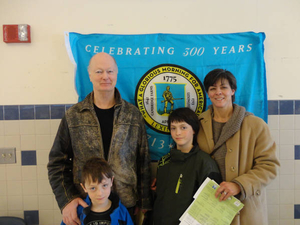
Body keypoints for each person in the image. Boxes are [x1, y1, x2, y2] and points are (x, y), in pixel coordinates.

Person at [48, 52, 152, 225]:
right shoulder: (74, 116)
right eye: (99, 72)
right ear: (89, 75)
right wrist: (66, 200)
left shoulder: (133, 115)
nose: (105, 77)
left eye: (110, 71)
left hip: (125, 207)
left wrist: (144, 203)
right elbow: (57, 164)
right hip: (85, 207)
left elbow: (143, 163)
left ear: (116, 74)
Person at [197, 69, 280, 225]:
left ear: (233, 90)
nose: (218, 92)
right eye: (213, 88)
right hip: (208, 207)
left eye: (224, 87)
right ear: (208, 93)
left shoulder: (255, 125)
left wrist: (239, 185)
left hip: (244, 208)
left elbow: (270, 166)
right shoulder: (199, 124)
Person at [152, 107, 222, 225]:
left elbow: (212, 206)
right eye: (173, 128)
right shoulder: (164, 161)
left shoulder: (205, 163)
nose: (178, 133)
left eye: (183, 127)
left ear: (194, 130)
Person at [61, 157, 134, 225]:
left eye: (104, 185)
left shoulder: (122, 212)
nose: (100, 193)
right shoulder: (78, 212)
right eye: (93, 188)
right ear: (84, 187)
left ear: (111, 181)